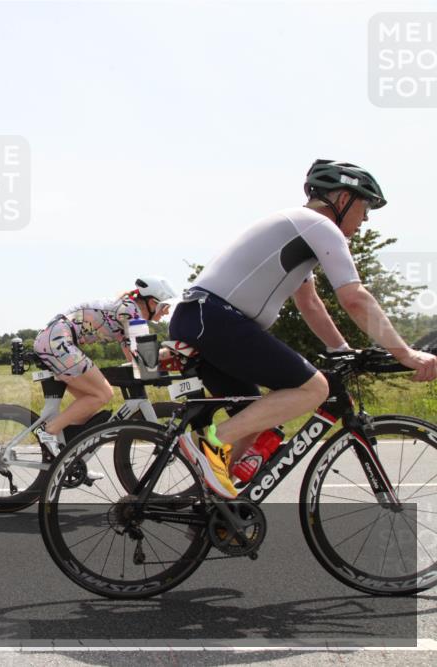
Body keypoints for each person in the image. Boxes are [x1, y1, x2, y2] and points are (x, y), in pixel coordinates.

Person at [169, 159, 437, 499]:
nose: (365, 219)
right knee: (314, 389)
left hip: (203, 319)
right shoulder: (319, 226)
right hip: (216, 319)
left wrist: (343, 351)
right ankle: (210, 445)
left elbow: (310, 304)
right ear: (342, 199)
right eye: (365, 207)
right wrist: (405, 352)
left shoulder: (297, 230)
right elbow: (354, 297)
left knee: (255, 418)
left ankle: (210, 505)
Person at [33, 276, 177, 456]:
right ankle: (48, 432)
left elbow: (137, 360)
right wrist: (175, 350)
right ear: (150, 302)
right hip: (58, 341)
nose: (166, 312)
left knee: (90, 401)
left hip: (55, 340)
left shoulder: (127, 312)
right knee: (103, 393)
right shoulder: (131, 311)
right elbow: (147, 357)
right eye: (164, 306)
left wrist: (158, 359)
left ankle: (70, 457)